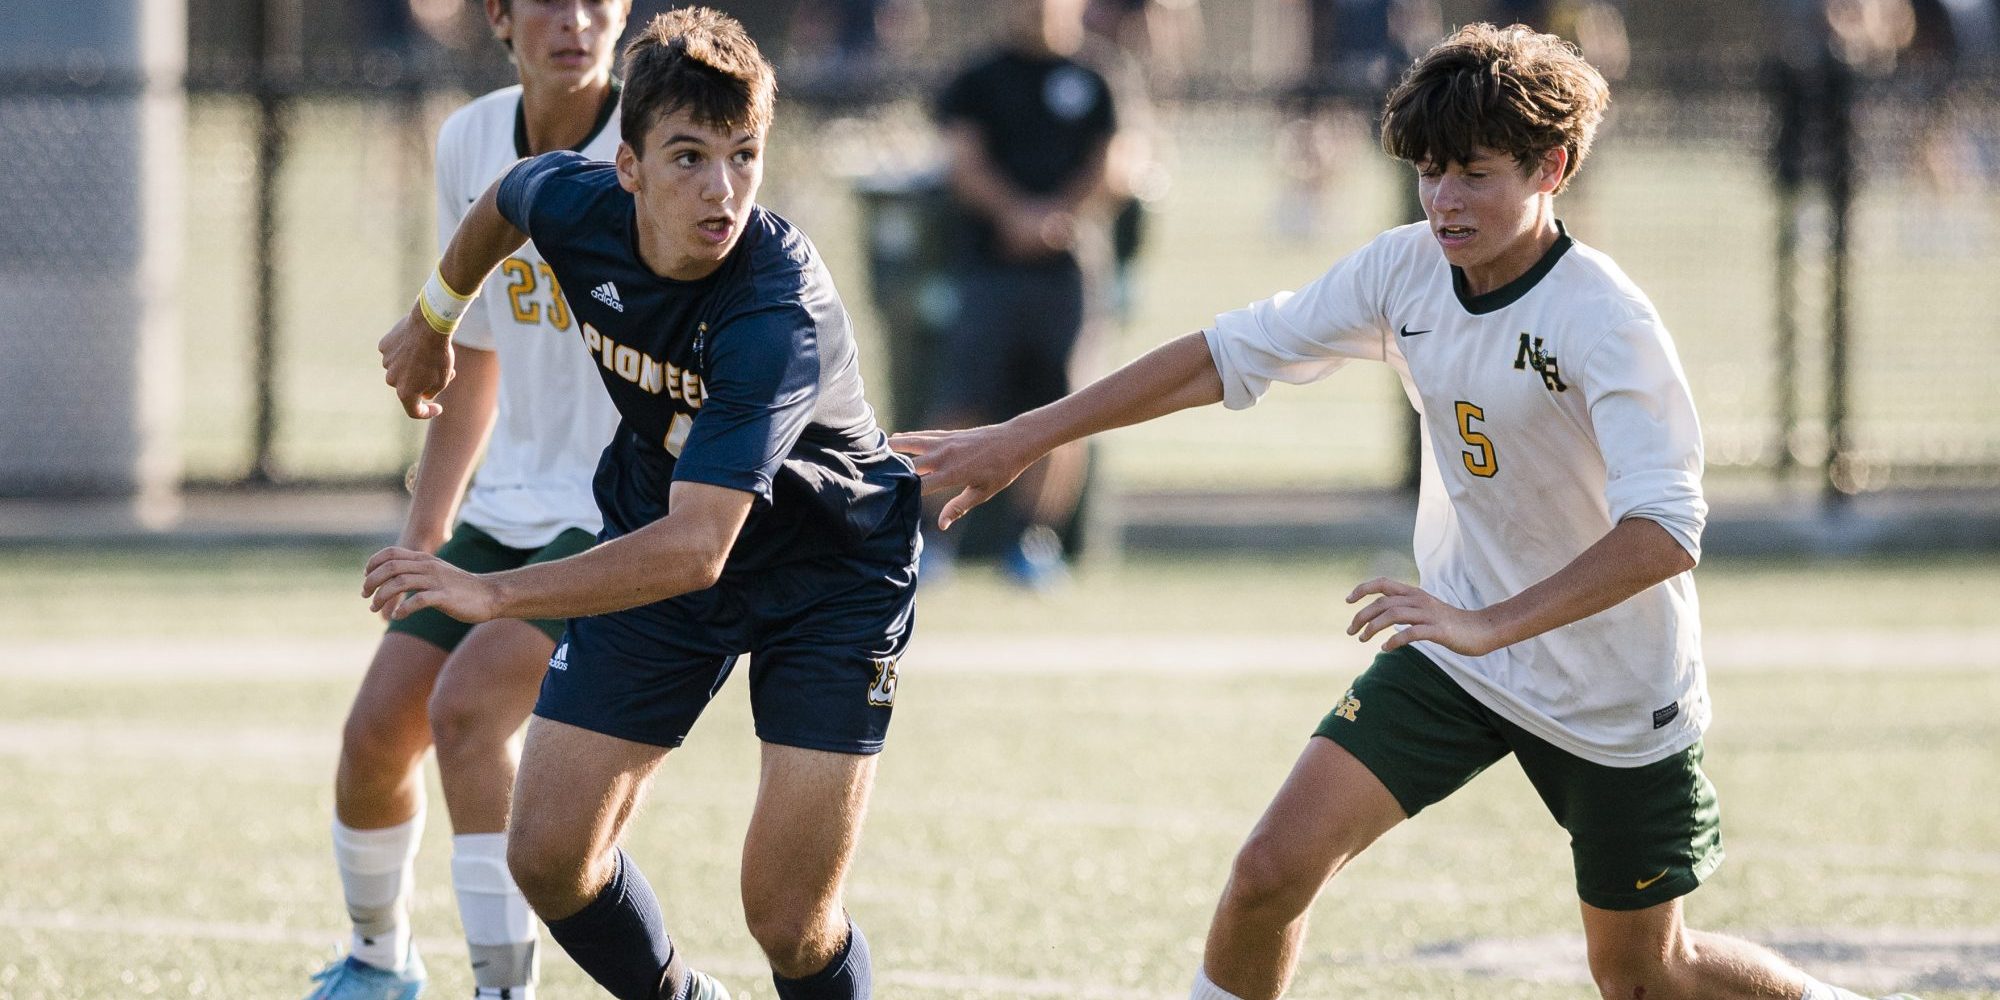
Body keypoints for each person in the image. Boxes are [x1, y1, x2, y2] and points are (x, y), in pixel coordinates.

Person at [893, 24, 1924, 1000]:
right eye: (1428, 170)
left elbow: (1663, 532)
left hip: (1609, 689)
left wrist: (1487, 621)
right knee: (1266, 873)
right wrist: (1025, 436)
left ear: (1550, 168)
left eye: (1474, 171)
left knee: (1646, 976)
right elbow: (1219, 356)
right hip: (1459, 650)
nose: (1442, 198)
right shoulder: (1403, 268)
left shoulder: (1604, 321)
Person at [368, 8, 920, 1000]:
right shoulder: (573, 203)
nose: (721, 190)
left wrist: (496, 595)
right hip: (662, 521)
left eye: (744, 155)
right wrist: (431, 321)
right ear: (624, 167)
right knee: (545, 852)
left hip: (826, 575)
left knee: (788, 920)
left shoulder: (773, 311)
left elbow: (700, 546)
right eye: (687, 157)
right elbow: (507, 198)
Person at [306, 2, 628, 998]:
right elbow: (473, 354)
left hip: (623, 512)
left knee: (469, 711)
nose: (573, 20)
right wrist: (426, 535)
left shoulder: (658, 142)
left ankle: (501, 985)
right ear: (497, 14)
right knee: (374, 734)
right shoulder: (470, 138)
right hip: (510, 506)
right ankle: (376, 961)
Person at [927, 0, 1131, 589]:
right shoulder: (976, 79)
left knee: (1062, 411)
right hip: (989, 271)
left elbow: (1114, 164)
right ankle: (931, 542)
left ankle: (1032, 544)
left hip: (1067, 275)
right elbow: (963, 164)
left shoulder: (1100, 76)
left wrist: (1060, 216)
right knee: (964, 400)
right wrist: (1016, 216)